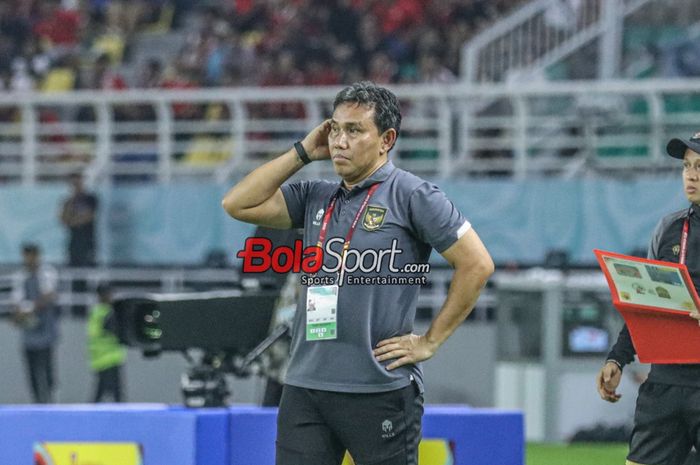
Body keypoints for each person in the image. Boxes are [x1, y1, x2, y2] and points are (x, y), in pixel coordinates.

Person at [222, 81, 494, 465]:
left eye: (354, 130)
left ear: (386, 140)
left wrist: (430, 341)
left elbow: (477, 264)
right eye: (334, 128)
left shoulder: (414, 196)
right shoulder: (316, 195)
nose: (339, 141)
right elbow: (236, 203)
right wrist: (302, 152)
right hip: (304, 386)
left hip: (379, 389)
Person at [597, 132, 700, 465]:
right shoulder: (669, 229)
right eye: (687, 166)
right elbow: (645, 304)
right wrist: (618, 358)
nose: (691, 175)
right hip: (666, 384)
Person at [11, 243, 60, 404]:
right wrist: (20, 313)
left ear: (37, 256)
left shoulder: (47, 273)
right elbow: (17, 302)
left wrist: (31, 307)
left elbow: (49, 295)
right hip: (28, 332)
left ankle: (50, 400)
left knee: (47, 370)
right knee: (32, 372)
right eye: (26, 256)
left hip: (45, 330)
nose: (29, 259)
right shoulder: (19, 276)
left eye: (32, 255)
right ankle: (37, 402)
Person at [87, 282, 127, 402]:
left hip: (113, 358)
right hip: (103, 359)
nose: (109, 296)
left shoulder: (112, 311)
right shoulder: (98, 312)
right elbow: (94, 333)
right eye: (106, 294)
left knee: (114, 393)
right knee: (105, 393)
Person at [60, 172, 98, 267]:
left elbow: (89, 217)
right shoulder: (68, 201)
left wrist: (73, 221)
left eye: (78, 183)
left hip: (87, 239)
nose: (76, 186)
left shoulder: (90, 199)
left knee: (88, 266)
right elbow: (64, 219)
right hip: (74, 241)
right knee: (73, 267)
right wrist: (72, 200)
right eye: (73, 184)